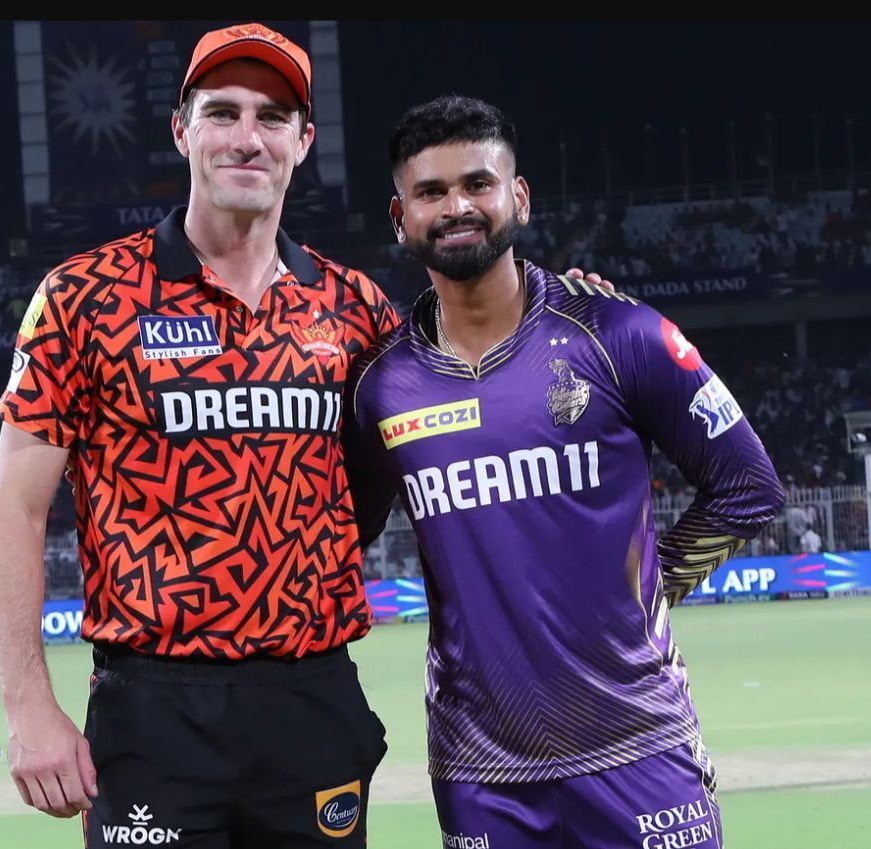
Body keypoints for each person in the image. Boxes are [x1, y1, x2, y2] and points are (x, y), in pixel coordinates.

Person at [0, 23, 396, 847]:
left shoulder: (357, 311)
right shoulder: (85, 297)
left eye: (273, 117)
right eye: (223, 112)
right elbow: (13, 510)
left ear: (304, 141)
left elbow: (410, 448)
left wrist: (571, 300)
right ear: (182, 129)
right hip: (153, 711)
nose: (248, 137)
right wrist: (28, 706)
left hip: (311, 700)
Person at [345, 95, 786, 849]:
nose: (457, 207)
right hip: (482, 772)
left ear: (517, 196)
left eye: (478, 184)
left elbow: (750, 488)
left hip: (640, 748)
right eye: (431, 192)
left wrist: (650, 584)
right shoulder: (381, 385)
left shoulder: (620, 333)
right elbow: (337, 533)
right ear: (400, 216)